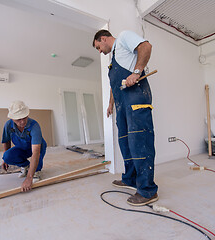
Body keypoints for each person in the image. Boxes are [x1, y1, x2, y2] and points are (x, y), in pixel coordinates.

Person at [93, 29, 158, 206]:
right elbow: (115, 84)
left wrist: (136, 72)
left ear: (103, 38)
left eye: (99, 47)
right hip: (121, 104)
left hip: (136, 97)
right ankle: (130, 178)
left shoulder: (123, 38)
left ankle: (147, 190)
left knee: (139, 142)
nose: (100, 51)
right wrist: (110, 104)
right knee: (125, 143)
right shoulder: (113, 59)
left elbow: (146, 46)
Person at [0, 100, 47, 192]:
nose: (23, 121)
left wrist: (29, 178)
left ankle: (35, 171)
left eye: (24, 117)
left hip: (37, 148)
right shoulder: (8, 126)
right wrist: (4, 160)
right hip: (21, 147)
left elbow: (35, 153)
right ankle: (26, 166)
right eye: (18, 119)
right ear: (12, 118)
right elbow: (6, 141)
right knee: (7, 156)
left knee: (37, 158)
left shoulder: (34, 126)